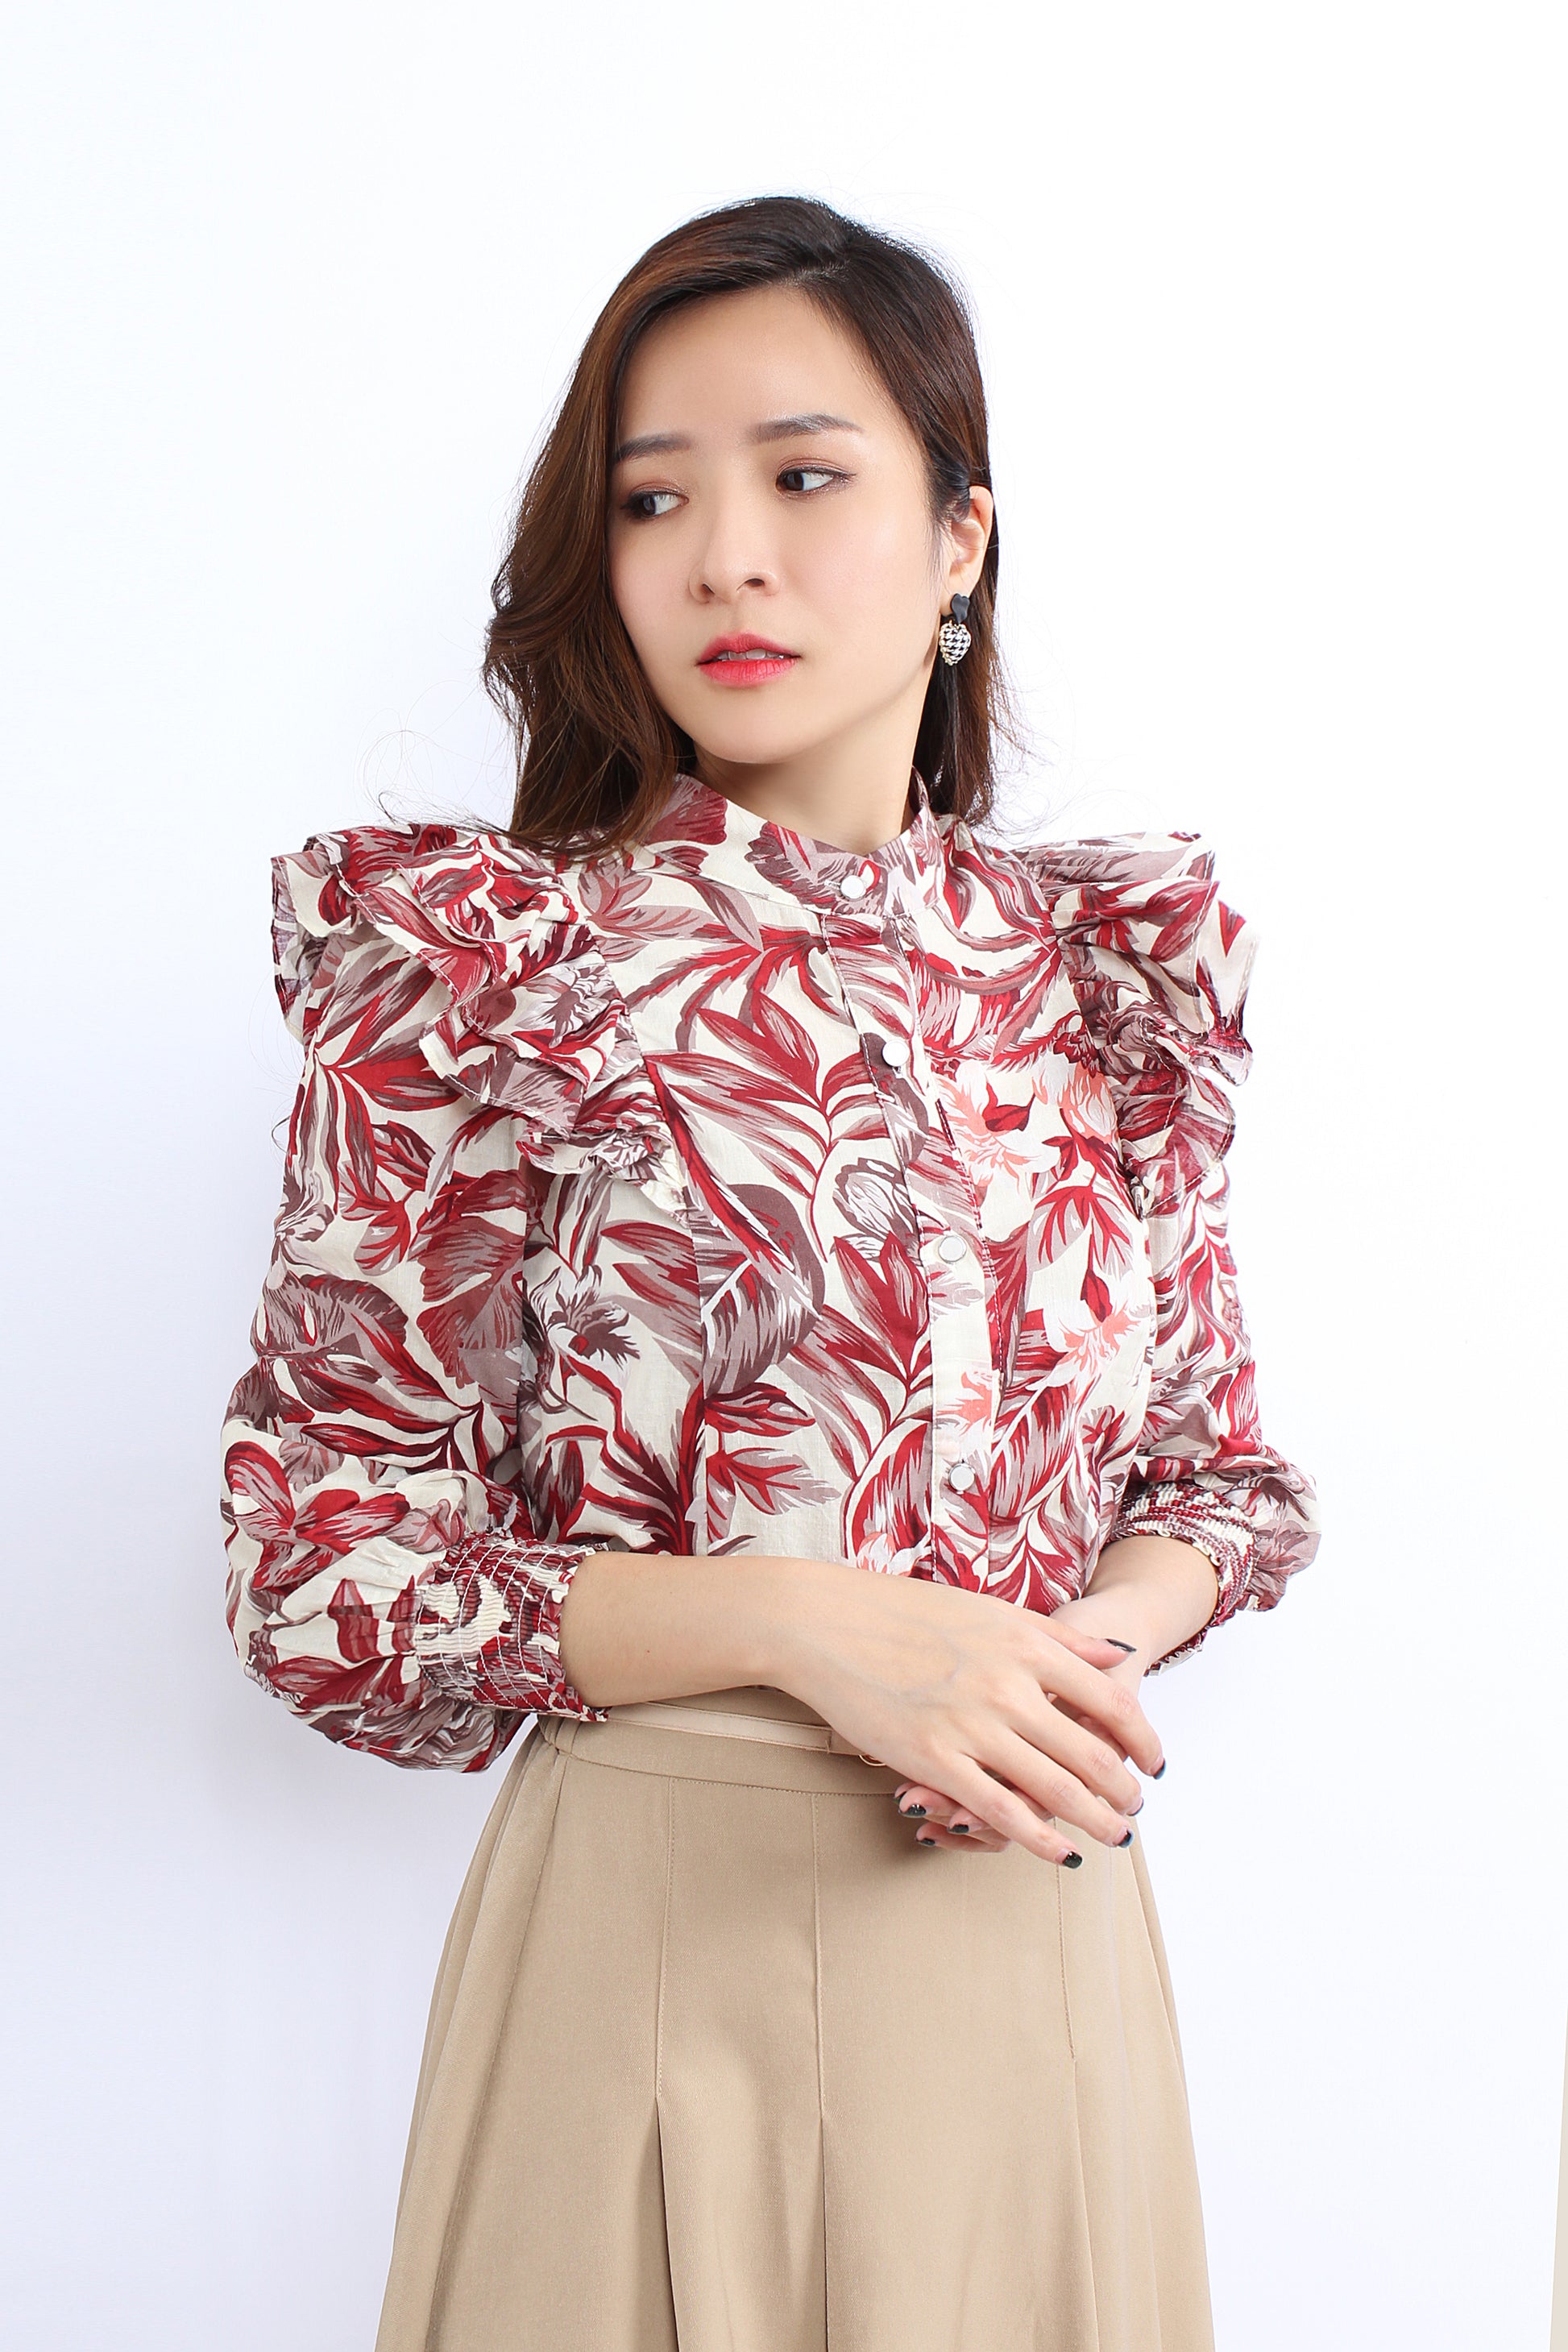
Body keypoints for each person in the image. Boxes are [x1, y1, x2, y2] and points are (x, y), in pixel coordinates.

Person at [221, 193, 1320, 2352]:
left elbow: (1217, 1483)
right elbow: (321, 1576)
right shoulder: (485, 971)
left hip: (1038, 1944)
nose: (726, 556)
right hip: (650, 1958)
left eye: (805, 477)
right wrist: (816, 1630)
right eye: (654, 498)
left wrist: (1057, 1664)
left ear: (961, 539)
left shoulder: (1090, 977)